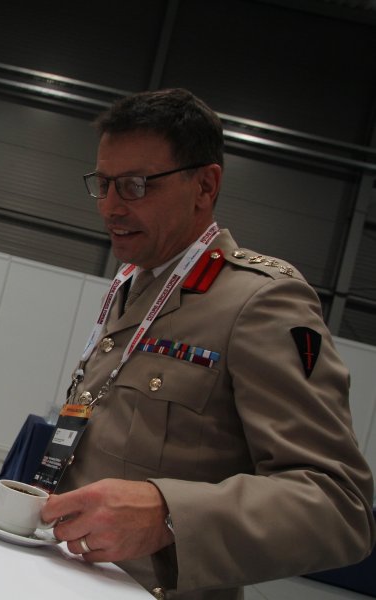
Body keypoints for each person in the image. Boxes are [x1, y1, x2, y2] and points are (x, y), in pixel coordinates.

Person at [38, 88, 375, 599]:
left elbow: (339, 506)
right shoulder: (134, 284)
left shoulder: (260, 302)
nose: (110, 207)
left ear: (204, 185)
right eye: (103, 184)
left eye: (135, 185)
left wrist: (167, 513)